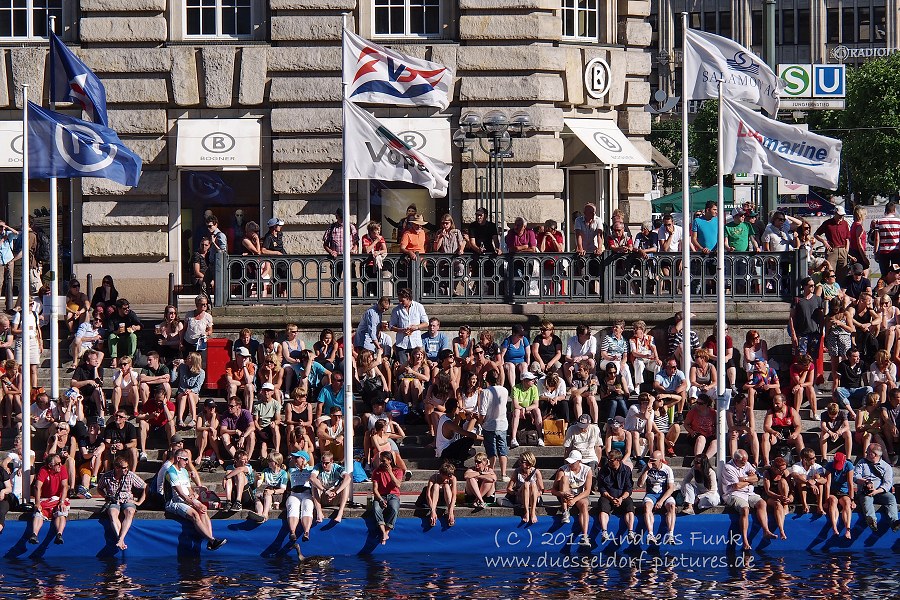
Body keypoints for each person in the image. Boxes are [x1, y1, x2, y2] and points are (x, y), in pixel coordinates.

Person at [165, 449, 226, 550]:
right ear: (178, 458)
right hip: (174, 501)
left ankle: (211, 541)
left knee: (203, 509)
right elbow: (180, 494)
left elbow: (189, 489)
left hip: (186, 499)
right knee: (195, 515)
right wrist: (193, 503)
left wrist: (194, 495)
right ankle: (211, 540)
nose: (187, 462)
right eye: (185, 459)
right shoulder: (171, 472)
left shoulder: (184, 471)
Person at [721, 449, 776, 550]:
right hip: (734, 494)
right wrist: (750, 480)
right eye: (742, 462)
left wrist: (744, 479)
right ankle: (745, 541)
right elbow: (736, 486)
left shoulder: (747, 464)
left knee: (762, 503)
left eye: (746, 461)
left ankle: (766, 530)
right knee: (745, 509)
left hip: (748, 492)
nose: (745, 463)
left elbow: (758, 477)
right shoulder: (728, 467)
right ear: (736, 460)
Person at [97, 456, 146, 550]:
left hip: (127, 500)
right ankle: (121, 540)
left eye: (127, 467)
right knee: (112, 513)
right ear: (117, 468)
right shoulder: (107, 476)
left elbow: (145, 486)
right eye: (124, 468)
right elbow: (99, 488)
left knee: (130, 512)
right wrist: (106, 496)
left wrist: (139, 502)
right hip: (114, 500)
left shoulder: (130, 475)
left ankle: (121, 539)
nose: (126, 469)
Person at [854, 443, 899, 532]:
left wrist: (876, 491)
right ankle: (872, 520)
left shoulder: (886, 467)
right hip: (865, 491)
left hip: (879, 491)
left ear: (874, 454)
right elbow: (855, 477)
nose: (866, 453)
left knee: (891, 498)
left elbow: (887, 484)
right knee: (867, 499)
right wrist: (865, 482)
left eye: (868, 452)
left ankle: (894, 522)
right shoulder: (861, 463)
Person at [27, 452, 70, 545]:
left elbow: (65, 486)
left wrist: (62, 501)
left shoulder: (62, 469)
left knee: (61, 512)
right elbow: (37, 486)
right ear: (50, 465)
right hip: (46, 499)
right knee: (38, 512)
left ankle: (59, 534)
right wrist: (37, 503)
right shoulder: (44, 470)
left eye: (60, 462)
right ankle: (34, 534)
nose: (60, 465)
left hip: (58, 499)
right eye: (58, 463)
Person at [552, 450, 593, 546]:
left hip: (579, 495)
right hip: (565, 495)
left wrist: (575, 500)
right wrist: (562, 494)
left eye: (572, 462)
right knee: (565, 478)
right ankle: (565, 510)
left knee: (584, 505)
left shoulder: (587, 470)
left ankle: (585, 536)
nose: (570, 464)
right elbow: (553, 491)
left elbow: (587, 491)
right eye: (569, 462)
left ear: (579, 461)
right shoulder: (562, 470)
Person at [596, 449, 635, 543]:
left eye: (611, 460)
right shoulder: (604, 470)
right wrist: (610, 497)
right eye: (608, 459)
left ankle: (630, 531)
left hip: (622, 496)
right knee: (603, 506)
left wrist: (621, 498)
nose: (609, 461)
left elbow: (629, 488)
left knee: (629, 505)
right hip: (608, 496)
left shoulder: (626, 470)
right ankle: (604, 531)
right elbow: (601, 488)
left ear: (618, 460)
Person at [637, 450, 677, 544]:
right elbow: (640, 484)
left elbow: (671, 488)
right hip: (651, 494)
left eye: (653, 460)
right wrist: (646, 470)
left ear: (660, 460)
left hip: (664, 493)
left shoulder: (667, 469)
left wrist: (661, 501)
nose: (651, 462)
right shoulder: (647, 468)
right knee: (647, 507)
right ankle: (650, 534)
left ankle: (670, 534)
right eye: (650, 460)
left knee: (671, 506)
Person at [479, 368, 510, 482]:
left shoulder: (485, 392)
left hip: (489, 424)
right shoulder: (505, 390)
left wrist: (480, 422)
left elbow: (482, 411)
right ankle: (504, 473)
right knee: (502, 450)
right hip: (502, 423)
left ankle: (491, 471)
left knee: (491, 451)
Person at [761, 393, 804, 466]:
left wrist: (795, 433)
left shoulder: (791, 411)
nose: (775, 405)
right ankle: (766, 462)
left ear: (784, 403)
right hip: (776, 436)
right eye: (774, 403)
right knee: (765, 435)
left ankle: (802, 461)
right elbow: (766, 426)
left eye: (777, 403)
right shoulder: (771, 412)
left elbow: (798, 426)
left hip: (788, 436)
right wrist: (773, 432)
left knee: (799, 436)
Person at [435, 398, 481, 465]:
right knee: (469, 439)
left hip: (446, 449)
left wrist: (459, 417)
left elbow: (456, 426)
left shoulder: (444, 417)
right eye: (458, 407)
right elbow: (465, 433)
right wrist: (483, 438)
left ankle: (454, 460)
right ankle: (459, 463)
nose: (460, 409)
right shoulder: (448, 423)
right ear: (454, 409)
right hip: (444, 451)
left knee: (472, 451)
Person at [309, 450, 351, 523]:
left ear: (332, 461)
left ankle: (340, 512)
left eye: (326, 463)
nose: (324, 465)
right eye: (322, 463)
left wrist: (336, 492)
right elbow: (312, 478)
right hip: (323, 495)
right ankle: (319, 512)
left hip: (335, 496)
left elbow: (348, 478)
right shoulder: (318, 467)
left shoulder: (337, 467)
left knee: (345, 484)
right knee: (314, 483)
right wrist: (325, 491)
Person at [789, 277, 824, 364]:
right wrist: (793, 333)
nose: (813, 287)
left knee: (813, 360)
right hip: (801, 333)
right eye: (811, 286)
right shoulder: (797, 300)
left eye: (814, 286)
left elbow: (821, 316)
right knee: (801, 359)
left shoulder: (818, 299)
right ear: (804, 287)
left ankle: (813, 377)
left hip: (814, 333)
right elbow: (791, 317)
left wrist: (822, 330)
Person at [389, 288, 429, 364]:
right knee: (402, 366)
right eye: (399, 300)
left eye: (402, 300)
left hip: (415, 342)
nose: (400, 302)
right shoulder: (396, 310)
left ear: (408, 298)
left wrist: (416, 327)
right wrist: (401, 330)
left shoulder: (419, 307)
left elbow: (426, 323)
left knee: (417, 365)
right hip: (402, 343)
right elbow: (391, 326)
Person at [136, 389, 176, 463]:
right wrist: (149, 416)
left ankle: (171, 449)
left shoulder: (170, 404)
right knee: (142, 423)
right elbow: (138, 418)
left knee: (171, 423)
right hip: (152, 427)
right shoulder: (150, 402)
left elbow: (170, 418)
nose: (158, 402)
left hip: (164, 428)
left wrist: (164, 405)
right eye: (156, 399)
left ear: (165, 398)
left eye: (160, 400)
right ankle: (143, 451)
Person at [372, 450, 403, 544]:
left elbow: (398, 485)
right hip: (381, 495)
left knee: (394, 509)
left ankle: (387, 531)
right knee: (376, 508)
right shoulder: (377, 472)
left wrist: (390, 472)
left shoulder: (398, 471)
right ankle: (383, 532)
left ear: (390, 460)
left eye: (383, 461)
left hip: (393, 495)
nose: (381, 463)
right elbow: (375, 489)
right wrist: (381, 499)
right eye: (380, 460)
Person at [249, 451, 288, 524]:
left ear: (276, 462)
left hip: (277, 494)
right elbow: (259, 483)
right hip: (265, 492)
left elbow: (283, 489)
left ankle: (265, 514)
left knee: (267, 492)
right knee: (257, 497)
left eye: (270, 461)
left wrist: (273, 491)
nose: (268, 462)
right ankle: (259, 515)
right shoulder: (265, 471)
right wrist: (257, 479)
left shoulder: (283, 473)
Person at [505, 450, 543, 524]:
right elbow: (509, 488)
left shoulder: (536, 472)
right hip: (521, 496)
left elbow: (541, 489)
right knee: (526, 484)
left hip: (533, 496)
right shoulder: (517, 471)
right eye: (520, 461)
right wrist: (516, 493)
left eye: (523, 461)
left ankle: (532, 512)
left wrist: (535, 494)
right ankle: (526, 512)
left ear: (529, 461)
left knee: (532, 484)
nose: (520, 463)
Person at [823, 451, 855, 539]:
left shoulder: (848, 465)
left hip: (844, 491)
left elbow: (850, 483)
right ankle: (834, 527)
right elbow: (828, 484)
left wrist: (852, 499)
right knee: (833, 501)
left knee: (847, 502)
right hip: (833, 491)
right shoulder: (829, 466)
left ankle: (847, 529)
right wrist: (826, 500)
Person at [815, 205, 851, 280]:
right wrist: (824, 242)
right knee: (830, 272)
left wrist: (846, 251)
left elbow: (847, 238)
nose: (841, 217)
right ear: (835, 213)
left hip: (842, 250)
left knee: (843, 273)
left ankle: (840, 289)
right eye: (840, 215)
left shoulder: (845, 223)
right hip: (832, 250)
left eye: (843, 215)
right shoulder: (827, 223)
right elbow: (816, 234)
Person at [834, 347, 870, 419]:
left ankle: (863, 408)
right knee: (838, 390)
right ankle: (852, 413)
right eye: (855, 356)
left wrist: (866, 386)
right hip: (846, 389)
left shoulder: (861, 364)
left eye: (858, 356)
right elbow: (837, 379)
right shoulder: (843, 365)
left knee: (869, 388)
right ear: (849, 357)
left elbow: (865, 378)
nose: (857, 358)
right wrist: (834, 393)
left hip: (857, 389)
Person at [509, 371, 543, 448]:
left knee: (537, 410)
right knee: (517, 411)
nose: (533, 381)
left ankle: (541, 437)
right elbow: (516, 405)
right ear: (524, 380)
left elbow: (536, 404)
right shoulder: (515, 388)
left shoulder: (534, 388)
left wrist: (525, 409)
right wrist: (523, 409)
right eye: (531, 380)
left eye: (533, 379)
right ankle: (513, 438)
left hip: (528, 409)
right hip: (518, 410)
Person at [762, 457, 792, 540]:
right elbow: (767, 491)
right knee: (777, 505)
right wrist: (779, 497)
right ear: (774, 468)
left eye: (784, 469)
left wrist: (789, 497)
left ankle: (785, 504)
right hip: (770, 495)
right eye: (780, 470)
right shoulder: (767, 473)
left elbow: (791, 488)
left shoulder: (785, 473)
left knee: (783, 481)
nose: (782, 472)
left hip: (782, 494)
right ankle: (781, 531)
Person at [789, 447, 826, 515]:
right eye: (812, 458)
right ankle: (804, 505)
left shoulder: (817, 466)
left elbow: (824, 479)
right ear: (805, 459)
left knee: (818, 477)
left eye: (815, 457)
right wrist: (808, 483)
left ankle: (820, 506)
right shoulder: (796, 466)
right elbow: (795, 475)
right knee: (802, 477)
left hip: (814, 490)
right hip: (799, 489)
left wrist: (815, 480)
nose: (815, 459)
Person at [173, 351, 205, 428]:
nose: (187, 359)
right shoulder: (182, 367)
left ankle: (194, 419)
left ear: (194, 360)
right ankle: (180, 419)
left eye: (189, 358)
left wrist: (191, 390)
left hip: (193, 394)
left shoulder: (201, 372)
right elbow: (173, 381)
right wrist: (174, 369)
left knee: (190, 394)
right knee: (184, 396)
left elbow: (198, 387)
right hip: (182, 393)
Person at [106, 298, 142, 368]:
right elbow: (110, 331)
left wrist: (136, 327)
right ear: (119, 309)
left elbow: (140, 326)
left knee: (133, 336)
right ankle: (114, 359)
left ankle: (130, 359)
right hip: (118, 339)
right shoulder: (113, 316)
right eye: (124, 308)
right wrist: (117, 331)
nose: (127, 309)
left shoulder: (131, 314)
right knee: (112, 336)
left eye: (128, 307)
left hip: (128, 338)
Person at [71, 349, 106, 420]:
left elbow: (99, 384)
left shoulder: (100, 369)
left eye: (97, 359)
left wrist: (95, 369)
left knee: (98, 390)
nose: (97, 361)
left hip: (93, 395)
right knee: (74, 389)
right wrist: (88, 382)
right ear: (87, 361)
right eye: (94, 359)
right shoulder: (80, 368)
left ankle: (101, 417)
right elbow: (72, 383)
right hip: (82, 394)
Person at [727, 393, 759, 466]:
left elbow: (752, 427)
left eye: (745, 402)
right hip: (733, 432)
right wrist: (744, 428)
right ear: (737, 403)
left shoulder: (748, 410)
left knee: (754, 434)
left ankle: (756, 460)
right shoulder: (730, 411)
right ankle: (734, 460)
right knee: (733, 435)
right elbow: (731, 427)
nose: (745, 404)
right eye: (743, 403)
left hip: (743, 432)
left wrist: (744, 430)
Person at [424, 461, 458, 527]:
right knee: (436, 485)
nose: (449, 478)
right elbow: (428, 495)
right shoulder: (434, 477)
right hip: (434, 499)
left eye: (450, 476)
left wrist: (451, 511)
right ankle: (433, 513)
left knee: (446, 486)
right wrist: (433, 510)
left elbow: (454, 495)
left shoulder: (453, 479)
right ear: (441, 474)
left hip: (447, 499)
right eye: (447, 476)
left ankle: (449, 513)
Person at [630, 320, 661, 391]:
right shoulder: (632, 340)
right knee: (639, 363)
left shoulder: (650, 338)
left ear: (642, 330)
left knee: (658, 365)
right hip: (639, 359)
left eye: (636, 329)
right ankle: (637, 386)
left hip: (649, 360)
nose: (634, 331)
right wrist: (645, 356)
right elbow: (634, 353)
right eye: (634, 329)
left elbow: (654, 348)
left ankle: (657, 385)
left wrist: (657, 358)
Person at [254, 382, 282, 459]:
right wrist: (260, 431)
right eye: (265, 390)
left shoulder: (276, 404)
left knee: (275, 427)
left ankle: (277, 451)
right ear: (262, 391)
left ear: (272, 392)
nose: (266, 392)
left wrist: (274, 422)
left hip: (270, 427)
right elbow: (255, 420)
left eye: (269, 390)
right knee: (263, 446)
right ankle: (263, 461)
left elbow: (278, 419)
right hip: (261, 428)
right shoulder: (257, 405)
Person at [872, 201, 900, 275]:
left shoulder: (879, 222)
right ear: (894, 211)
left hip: (883, 251)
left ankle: (885, 286)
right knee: (896, 273)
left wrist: (875, 252)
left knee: (884, 274)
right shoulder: (898, 222)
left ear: (885, 210)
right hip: (896, 251)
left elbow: (877, 238)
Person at [569, 359, 600, 424]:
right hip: (577, 400)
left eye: (580, 370)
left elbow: (593, 391)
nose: (578, 371)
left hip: (588, 399)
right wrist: (587, 386)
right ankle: (579, 422)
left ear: (586, 371)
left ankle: (595, 423)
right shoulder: (575, 378)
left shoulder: (593, 377)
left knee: (591, 398)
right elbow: (574, 393)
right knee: (578, 398)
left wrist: (581, 392)